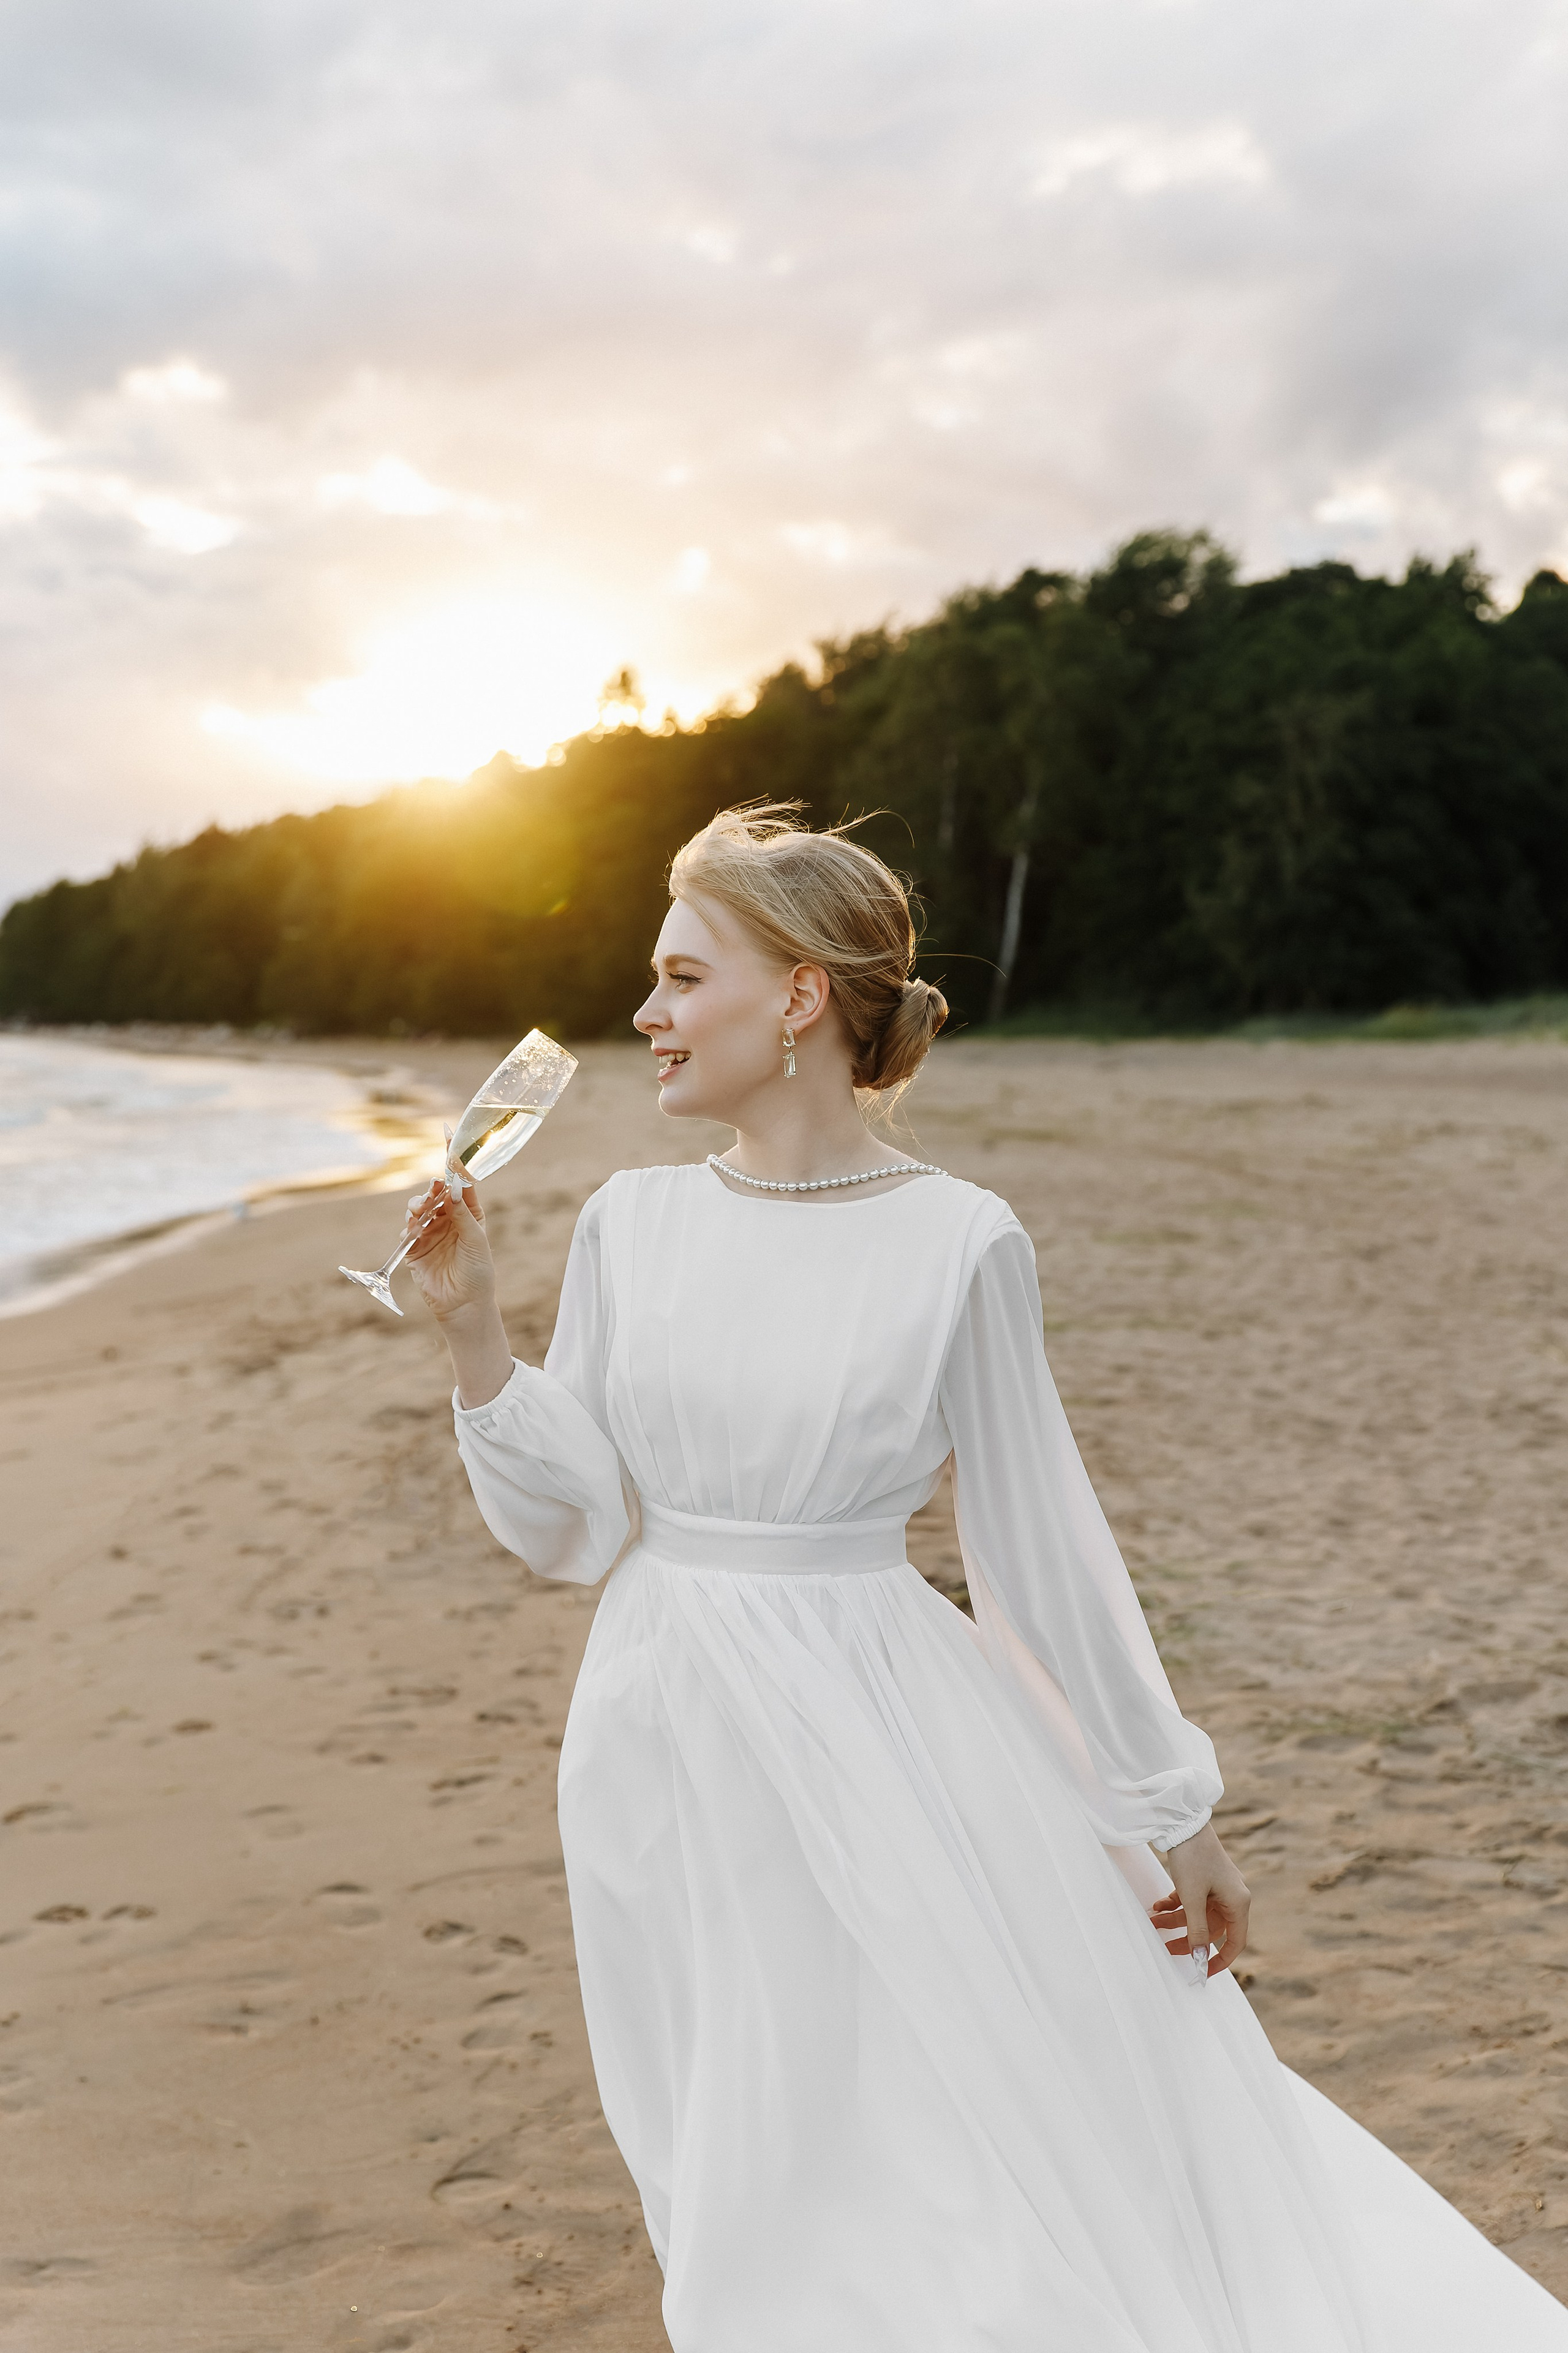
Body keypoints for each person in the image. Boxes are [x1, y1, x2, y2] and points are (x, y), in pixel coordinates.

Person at [402, 805, 1567, 2352]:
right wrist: (475, 1327)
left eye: (683, 978)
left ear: (800, 995)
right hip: (659, 1726)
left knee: (892, 2125)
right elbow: (583, 1526)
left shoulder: (958, 1241)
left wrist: (1170, 1812)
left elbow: (1038, 1550)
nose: (645, 1016)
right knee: (716, 2123)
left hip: (882, 1727)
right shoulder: (633, 1221)